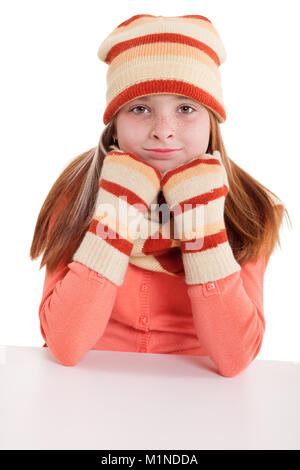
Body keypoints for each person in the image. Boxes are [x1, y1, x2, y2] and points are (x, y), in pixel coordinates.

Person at [30, 14, 291, 377]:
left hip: (198, 393)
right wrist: (118, 210)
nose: (163, 131)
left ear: (211, 119)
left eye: (186, 108)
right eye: (140, 108)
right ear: (115, 124)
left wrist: (202, 220)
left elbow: (234, 359)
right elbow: (65, 346)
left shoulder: (249, 207)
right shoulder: (78, 194)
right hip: (89, 387)